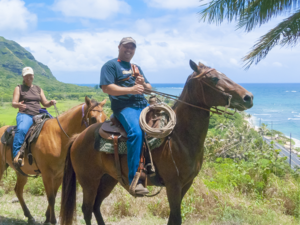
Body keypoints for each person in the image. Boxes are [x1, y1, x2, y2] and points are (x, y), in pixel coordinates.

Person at [100, 37, 152, 195]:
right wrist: (130, 90)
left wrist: (142, 84)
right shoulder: (111, 65)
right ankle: (134, 180)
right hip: (124, 107)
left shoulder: (136, 67)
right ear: (119, 47)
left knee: (165, 125)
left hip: (142, 104)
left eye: (132, 48)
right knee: (136, 133)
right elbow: (107, 88)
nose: (129, 50)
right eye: (126, 47)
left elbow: (149, 89)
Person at [12, 67, 56, 164]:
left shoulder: (38, 89)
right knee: (22, 129)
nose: (29, 77)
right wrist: (18, 105)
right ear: (23, 77)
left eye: (30, 75)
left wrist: (51, 102)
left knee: (56, 127)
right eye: (27, 75)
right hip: (25, 114)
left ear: (33, 76)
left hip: (39, 114)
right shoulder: (19, 88)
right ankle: (17, 155)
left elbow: (45, 103)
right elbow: (13, 103)